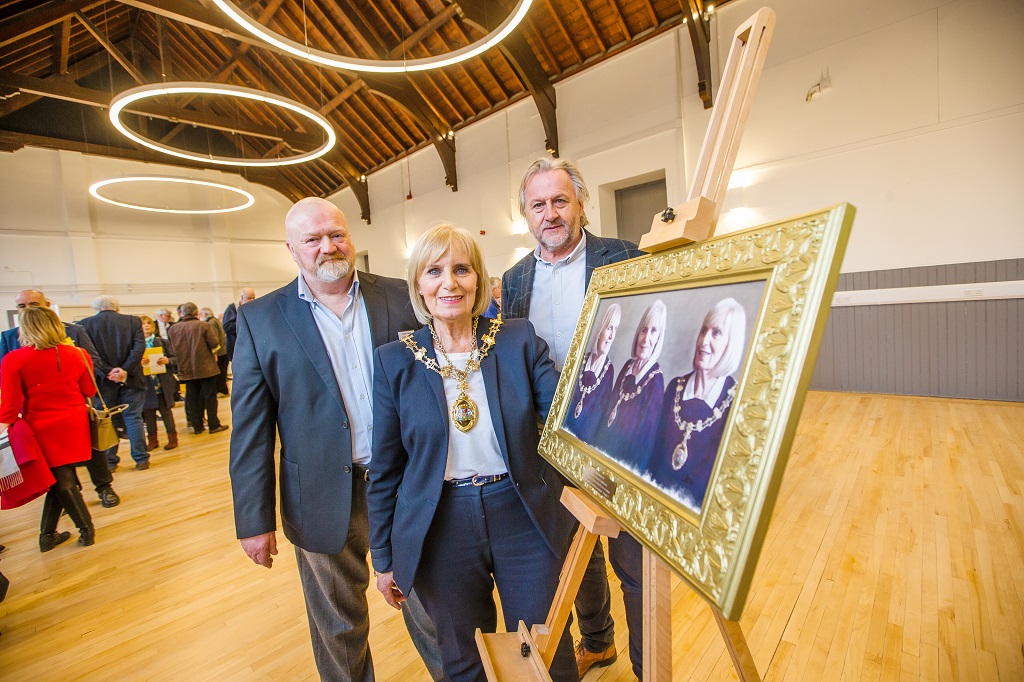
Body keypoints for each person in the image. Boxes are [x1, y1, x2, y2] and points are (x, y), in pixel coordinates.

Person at [229, 197, 441, 682]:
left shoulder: (400, 296)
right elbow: (250, 431)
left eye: (337, 234)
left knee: (434, 612)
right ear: (292, 249)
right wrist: (252, 519)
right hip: (320, 496)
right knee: (338, 628)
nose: (328, 247)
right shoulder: (261, 320)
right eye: (313, 239)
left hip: (406, 488)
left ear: (350, 236)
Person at [369, 223, 578, 682]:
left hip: (521, 512)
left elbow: (565, 417)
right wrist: (382, 558)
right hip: (440, 523)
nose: (450, 283)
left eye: (462, 269)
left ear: (479, 281)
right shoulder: (393, 361)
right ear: (418, 286)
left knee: (546, 649)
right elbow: (386, 470)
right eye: (434, 271)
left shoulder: (517, 339)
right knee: (463, 661)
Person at [501, 156, 645, 679]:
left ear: (580, 202)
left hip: (619, 431)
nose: (550, 213)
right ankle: (599, 643)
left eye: (560, 200)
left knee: (633, 560)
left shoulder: (624, 256)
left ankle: (647, 665)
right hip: (553, 436)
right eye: (538, 205)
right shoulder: (513, 279)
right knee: (572, 550)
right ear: (526, 215)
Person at [0, 290, 119, 507]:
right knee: (57, 464)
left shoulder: (74, 330)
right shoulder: (9, 337)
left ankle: (104, 487)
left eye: (33, 303)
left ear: (46, 304)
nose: (28, 309)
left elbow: (92, 360)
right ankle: (69, 498)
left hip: (74, 406)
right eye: (22, 305)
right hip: (36, 413)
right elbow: (6, 376)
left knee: (94, 450)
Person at [0, 307, 97, 550]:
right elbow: (89, 391)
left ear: (25, 328)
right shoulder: (79, 354)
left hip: (41, 427)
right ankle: (47, 536)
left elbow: (10, 407)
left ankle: (86, 529)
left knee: (62, 481)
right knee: (63, 478)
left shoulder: (14, 359)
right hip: (75, 424)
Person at [646, 298, 745, 511]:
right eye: (703, 331)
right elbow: (653, 455)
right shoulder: (674, 387)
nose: (703, 341)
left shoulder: (736, 403)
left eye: (716, 333)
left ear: (732, 344)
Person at [78, 295, 149, 471]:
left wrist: (107, 371)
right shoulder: (132, 321)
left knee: (106, 420)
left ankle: (110, 461)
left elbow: (90, 354)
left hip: (103, 381)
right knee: (134, 418)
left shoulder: (85, 324)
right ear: (116, 307)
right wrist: (124, 370)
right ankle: (141, 459)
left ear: (97, 308)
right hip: (131, 377)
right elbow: (139, 348)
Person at [594, 300, 667, 459]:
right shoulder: (627, 366)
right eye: (644, 330)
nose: (646, 338)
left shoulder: (656, 382)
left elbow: (643, 446)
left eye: (653, 331)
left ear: (659, 339)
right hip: (600, 453)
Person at [562, 303, 621, 445]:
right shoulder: (581, 359)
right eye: (609, 328)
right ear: (600, 329)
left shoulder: (608, 371)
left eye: (615, 329)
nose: (611, 336)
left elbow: (598, 418)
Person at [167, 303, 226, 436]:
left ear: (181, 313)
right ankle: (213, 424)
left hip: (185, 368)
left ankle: (197, 426)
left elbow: (171, 349)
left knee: (191, 398)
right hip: (206, 367)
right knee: (210, 397)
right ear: (196, 312)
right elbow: (214, 343)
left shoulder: (173, 328)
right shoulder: (203, 326)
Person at [138, 315, 178, 451]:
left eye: (148, 323)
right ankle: (152, 440)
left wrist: (167, 361)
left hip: (162, 384)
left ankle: (172, 438)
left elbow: (175, 358)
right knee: (148, 414)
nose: (146, 326)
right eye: (143, 324)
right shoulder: (136, 345)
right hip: (146, 385)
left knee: (166, 411)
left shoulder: (161, 341)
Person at [199, 306, 230, 395]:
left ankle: (222, 390)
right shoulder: (215, 320)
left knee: (220, 373)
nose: (200, 316)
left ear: (206, 314)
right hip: (223, 350)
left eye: (201, 314)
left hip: (219, 352)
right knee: (222, 372)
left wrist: (214, 353)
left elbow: (215, 339)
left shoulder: (211, 323)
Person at [222, 287, 256, 365]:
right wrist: (243, 323)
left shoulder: (252, 308)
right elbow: (227, 327)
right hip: (236, 347)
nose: (252, 300)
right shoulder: (232, 308)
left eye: (254, 298)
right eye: (249, 298)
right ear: (241, 297)